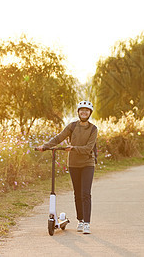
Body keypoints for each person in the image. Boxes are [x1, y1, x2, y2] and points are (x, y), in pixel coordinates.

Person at [37, 100, 97, 234]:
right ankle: (80, 220)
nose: (84, 112)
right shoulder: (72, 126)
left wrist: (74, 148)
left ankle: (87, 223)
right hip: (74, 164)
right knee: (77, 194)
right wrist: (45, 146)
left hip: (87, 163)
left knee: (85, 193)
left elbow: (88, 148)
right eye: (82, 110)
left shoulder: (93, 129)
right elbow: (59, 138)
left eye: (86, 111)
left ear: (90, 113)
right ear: (78, 112)